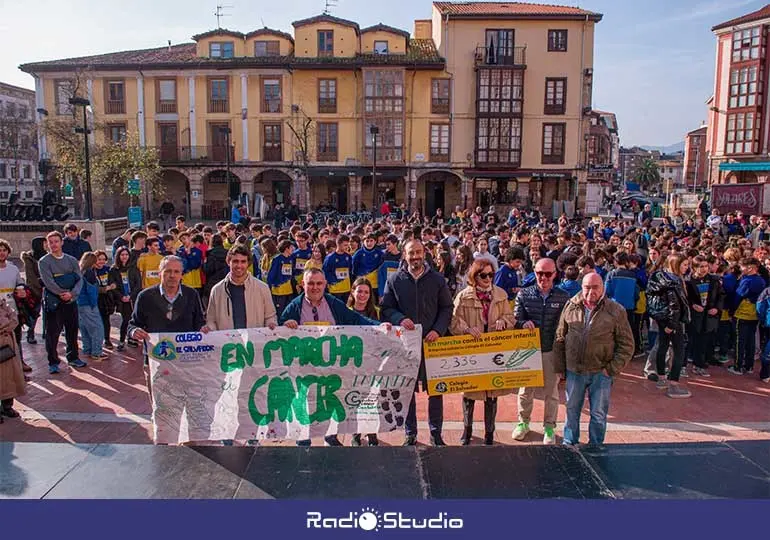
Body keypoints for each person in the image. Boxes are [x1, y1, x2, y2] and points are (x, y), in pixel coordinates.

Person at [280, 268, 383, 447]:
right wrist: (285, 324)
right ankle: (303, 442)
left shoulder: (333, 303)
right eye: (310, 283)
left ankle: (330, 438)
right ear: (302, 284)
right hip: (304, 369)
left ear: (325, 284)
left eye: (319, 283)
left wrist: (381, 326)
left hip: (330, 369)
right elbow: (279, 330)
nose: (315, 287)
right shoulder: (294, 306)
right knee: (304, 405)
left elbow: (356, 319)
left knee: (330, 403)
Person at [381, 239, 453, 447]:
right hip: (406, 345)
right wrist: (398, 319)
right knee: (408, 390)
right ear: (404, 255)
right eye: (411, 253)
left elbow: (447, 308)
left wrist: (438, 330)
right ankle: (410, 432)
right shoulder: (394, 280)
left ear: (425, 253)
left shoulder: (438, 280)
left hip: (432, 343)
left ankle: (435, 432)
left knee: (436, 390)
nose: (415, 257)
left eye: (419, 252)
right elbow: (386, 307)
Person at [554, 272, 634, 446]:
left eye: (595, 287)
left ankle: (596, 447)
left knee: (598, 414)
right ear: (581, 288)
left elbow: (627, 345)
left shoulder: (615, 310)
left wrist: (611, 369)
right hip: (575, 371)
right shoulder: (571, 305)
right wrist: (560, 368)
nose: (591, 292)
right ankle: (570, 444)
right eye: (587, 287)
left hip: (601, 372)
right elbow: (560, 337)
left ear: (603, 287)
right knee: (572, 410)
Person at [449, 260, 515, 445]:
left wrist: (503, 321)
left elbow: (511, 318)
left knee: (491, 395)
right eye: (483, 275)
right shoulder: (463, 296)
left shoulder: (501, 294)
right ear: (475, 276)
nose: (488, 279)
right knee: (469, 394)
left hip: (494, 352)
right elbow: (454, 321)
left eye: (491, 275)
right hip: (472, 352)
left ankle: (489, 433)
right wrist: (467, 329)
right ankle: (467, 430)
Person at [513, 257, 570, 444]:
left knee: (551, 392)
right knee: (525, 390)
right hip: (528, 350)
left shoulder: (563, 297)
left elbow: (567, 325)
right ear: (534, 273)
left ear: (554, 274)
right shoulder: (524, 294)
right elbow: (515, 318)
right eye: (539, 273)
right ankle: (523, 422)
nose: (543, 278)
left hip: (550, 350)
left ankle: (549, 427)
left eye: (547, 274)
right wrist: (522, 323)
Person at [128, 256, 206, 349]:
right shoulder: (145, 296)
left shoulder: (192, 294)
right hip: (156, 356)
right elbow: (133, 324)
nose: (172, 275)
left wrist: (204, 329)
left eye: (176, 272)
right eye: (168, 271)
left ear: (181, 274)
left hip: (185, 356)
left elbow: (199, 322)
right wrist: (134, 331)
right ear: (160, 273)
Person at [39, 231, 87, 374]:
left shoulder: (71, 260)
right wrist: (62, 293)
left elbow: (79, 279)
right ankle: (53, 361)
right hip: (54, 303)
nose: (53, 244)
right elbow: (48, 282)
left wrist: (71, 294)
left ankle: (73, 357)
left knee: (72, 330)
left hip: (70, 301)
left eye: (56, 241)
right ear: (47, 244)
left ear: (61, 242)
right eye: (51, 242)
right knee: (52, 333)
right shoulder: (44, 262)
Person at [647, 253, 692, 398]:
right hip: (673, 321)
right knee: (679, 350)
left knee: (662, 346)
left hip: (661, 319)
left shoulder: (659, 277)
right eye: (684, 265)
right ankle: (673, 383)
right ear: (676, 265)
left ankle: (661, 378)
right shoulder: (674, 283)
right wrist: (672, 325)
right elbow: (675, 307)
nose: (687, 268)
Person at [205, 245, 277, 331]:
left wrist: (271, 325)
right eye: (235, 261)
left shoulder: (262, 288)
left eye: (243, 262)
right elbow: (211, 320)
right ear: (228, 262)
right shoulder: (217, 290)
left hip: (254, 342)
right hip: (227, 343)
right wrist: (208, 329)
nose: (239, 266)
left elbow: (270, 317)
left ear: (248, 263)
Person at [346, 277, 381, 447]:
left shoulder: (377, 312)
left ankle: (372, 432)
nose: (362, 295)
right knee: (354, 397)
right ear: (353, 291)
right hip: (351, 363)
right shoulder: (345, 312)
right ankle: (355, 432)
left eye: (366, 292)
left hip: (372, 362)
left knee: (371, 398)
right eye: (359, 291)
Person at [685, 256, 725, 377]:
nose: (704, 269)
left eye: (706, 266)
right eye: (701, 266)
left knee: (703, 342)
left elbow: (721, 295)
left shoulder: (714, 280)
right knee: (689, 341)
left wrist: (717, 308)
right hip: (694, 316)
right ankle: (682, 365)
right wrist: (692, 305)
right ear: (694, 268)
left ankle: (699, 365)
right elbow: (685, 298)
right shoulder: (688, 281)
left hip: (708, 317)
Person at [731, 257, 766, 375]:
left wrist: (732, 310)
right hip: (754, 315)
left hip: (742, 313)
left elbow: (738, 296)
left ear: (750, 268)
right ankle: (749, 365)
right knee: (750, 340)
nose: (741, 269)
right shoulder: (761, 280)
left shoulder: (747, 281)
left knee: (739, 340)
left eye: (743, 267)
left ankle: (738, 365)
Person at [109, 246, 141, 351]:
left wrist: (131, 296)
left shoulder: (133, 268)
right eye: (122, 255)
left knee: (135, 319)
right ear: (118, 256)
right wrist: (121, 296)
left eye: (126, 254)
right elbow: (113, 285)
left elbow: (138, 284)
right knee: (126, 320)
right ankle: (122, 340)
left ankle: (132, 339)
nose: (124, 257)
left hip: (133, 299)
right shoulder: (114, 269)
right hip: (122, 300)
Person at [77, 252, 106, 362]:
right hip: (89, 304)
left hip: (79, 304)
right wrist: (94, 304)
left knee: (84, 328)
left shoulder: (80, 271)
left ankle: (87, 349)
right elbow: (92, 291)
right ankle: (96, 352)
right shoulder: (89, 273)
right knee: (97, 329)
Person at [0, 295, 24, 419]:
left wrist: (7, 325)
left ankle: (7, 406)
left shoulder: (2, 302)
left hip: (8, 345)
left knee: (9, 377)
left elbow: (14, 317)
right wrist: (6, 324)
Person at [21, 236, 47, 345]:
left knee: (49, 312)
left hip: (49, 288)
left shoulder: (47, 256)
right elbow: (30, 277)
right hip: (34, 290)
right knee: (34, 313)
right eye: (45, 243)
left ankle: (46, 332)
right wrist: (40, 285)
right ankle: (30, 333)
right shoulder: (29, 258)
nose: (47, 245)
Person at [93, 251, 117, 350]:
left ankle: (107, 339)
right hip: (96, 299)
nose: (101, 262)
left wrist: (112, 286)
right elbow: (93, 287)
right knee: (96, 320)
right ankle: (97, 340)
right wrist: (105, 289)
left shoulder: (108, 270)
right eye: (99, 259)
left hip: (107, 299)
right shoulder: (91, 271)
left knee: (106, 319)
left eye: (104, 259)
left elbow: (114, 281)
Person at [323, 234, 353, 302]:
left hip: (346, 289)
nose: (347, 247)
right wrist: (333, 282)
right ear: (338, 244)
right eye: (345, 245)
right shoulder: (330, 258)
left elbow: (350, 271)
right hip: (335, 290)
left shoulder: (348, 257)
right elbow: (325, 272)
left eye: (348, 245)